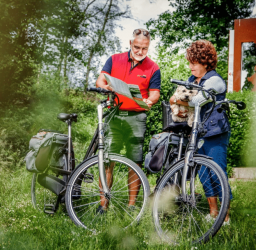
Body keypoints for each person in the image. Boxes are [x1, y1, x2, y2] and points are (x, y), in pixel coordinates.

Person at [95, 28, 161, 213]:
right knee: (107, 159)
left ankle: (131, 206)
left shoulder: (153, 67)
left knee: (135, 161)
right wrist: (107, 87)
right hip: (113, 115)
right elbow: (99, 81)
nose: (140, 52)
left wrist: (150, 100)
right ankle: (103, 205)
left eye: (145, 48)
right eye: (137, 47)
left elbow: (155, 93)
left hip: (136, 118)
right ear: (131, 44)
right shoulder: (114, 59)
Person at [170, 40, 232, 223]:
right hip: (198, 132)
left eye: (194, 63)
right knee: (204, 173)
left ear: (205, 62)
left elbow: (195, 101)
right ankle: (213, 212)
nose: (190, 67)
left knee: (217, 172)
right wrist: (177, 99)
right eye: (190, 62)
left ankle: (225, 216)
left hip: (215, 132)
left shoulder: (215, 80)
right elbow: (176, 96)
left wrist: (178, 100)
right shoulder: (192, 80)